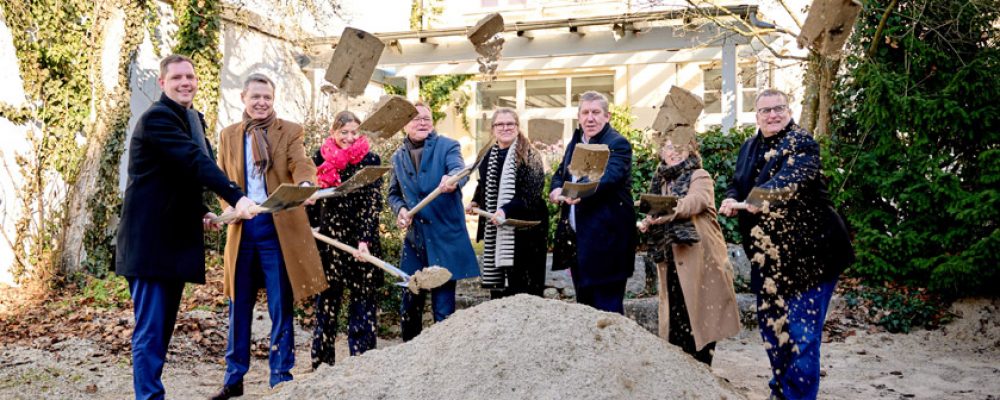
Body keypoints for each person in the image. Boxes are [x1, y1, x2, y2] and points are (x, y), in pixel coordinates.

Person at [115, 54, 257, 400]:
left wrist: (204, 210)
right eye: (177, 77)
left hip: (173, 242)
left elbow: (184, 175)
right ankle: (149, 398)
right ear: (162, 83)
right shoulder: (159, 119)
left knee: (161, 331)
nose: (185, 82)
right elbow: (195, 162)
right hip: (150, 244)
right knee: (150, 332)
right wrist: (237, 197)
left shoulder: (191, 119)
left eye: (190, 77)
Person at [718, 89, 853, 400]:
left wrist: (758, 199)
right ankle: (781, 390)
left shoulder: (802, 143)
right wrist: (730, 197)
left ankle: (797, 397)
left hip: (811, 256)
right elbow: (737, 182)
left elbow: (790, 180)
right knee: (773, 332)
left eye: (778, 108)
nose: (773, 115)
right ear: (756, 116)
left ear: (789, 110)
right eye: (765, 110)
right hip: (768, 260)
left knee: (801, 336)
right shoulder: (749, 146)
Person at [210, 73, 328, 399]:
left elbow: (301, 162)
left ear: (273, 99)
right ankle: (234, 379)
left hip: (278, 228)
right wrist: (232, 207)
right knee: (239, 306)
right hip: (242, 228)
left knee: (280, 305)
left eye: (267, 97)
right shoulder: (228, 135)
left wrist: (305, 186)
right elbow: (222, 177)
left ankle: (280, 377)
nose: (261, 102)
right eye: (255, 97)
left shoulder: (289, 130)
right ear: (243, 99)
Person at [638, 136, 740, 366]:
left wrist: (667, 210)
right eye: (668, 147)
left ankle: (702, 373)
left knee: (701, 319)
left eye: (680, 147)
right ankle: (683, 375)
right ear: (661, 152)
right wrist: (650, 220)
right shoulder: (660, 180)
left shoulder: (699, 176)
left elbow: (694, 202)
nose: (673, 152)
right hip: (671, 258)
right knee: (676, 318)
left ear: (691, 150)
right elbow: (655, 211)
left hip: (701, 261)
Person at [387, 101, 479, 341]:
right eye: (416, 119)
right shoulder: (398, 157)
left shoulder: (448, 146)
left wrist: (452, 180)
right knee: (409, 304)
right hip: (415, 242)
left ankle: (444, 359)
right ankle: (411, 355)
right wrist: (401, 210)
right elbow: (394, 194)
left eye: (426, 119)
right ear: (404, 125)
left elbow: (459, 171)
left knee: (443, 308)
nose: (422, 123)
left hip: (444, 239)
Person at [307, 110, 384, 368]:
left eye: (354, 132)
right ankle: (322, 364)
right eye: (344, 133)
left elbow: (372, 205)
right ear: (333, 132)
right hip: (329, 242)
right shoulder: (318, 159)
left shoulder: (371, 161)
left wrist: (365, 240)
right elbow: (310, 199)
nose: (350, 138)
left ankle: (362, 363)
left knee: (363, 302)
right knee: (327, 305)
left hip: (362, 243)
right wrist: (311, 225)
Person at [548, 91, 636, 314]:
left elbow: (609, 177)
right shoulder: (575, 142)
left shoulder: (618, 144)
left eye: (596, 112)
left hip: (608, 244)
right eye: (585, 113)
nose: (590, 118)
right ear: (579, 117)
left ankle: (615, 350)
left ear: (607, 116)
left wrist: (579, 190)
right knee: (585, 312)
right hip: (580, 246)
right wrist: (557, 188)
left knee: (608, 314)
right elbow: (561, 173)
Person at [466, 107, 549, 298]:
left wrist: (505, 210)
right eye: (500, 124)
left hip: (525, 231)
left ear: (518, 126)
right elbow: (484, 184)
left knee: (523, 288)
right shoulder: (487, 155)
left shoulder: (531, 155)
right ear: (493, 129)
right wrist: (476, 202)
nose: (505, 128)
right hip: (497, 229)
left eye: (510, 123)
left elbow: (531, 193)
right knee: (500, 292)